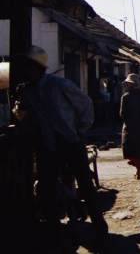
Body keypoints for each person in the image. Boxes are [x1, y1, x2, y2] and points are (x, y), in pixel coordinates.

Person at [16, 46, 108, 243]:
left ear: (38, 67)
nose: (26, 72)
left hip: (70, 142)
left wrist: (80, 130)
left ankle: (100, 227)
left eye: (29, 67)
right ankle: (54, 230)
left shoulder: (58, 85)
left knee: (85, 185)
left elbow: (85, 104)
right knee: (47, 188)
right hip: (47, 146)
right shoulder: (28, 91)